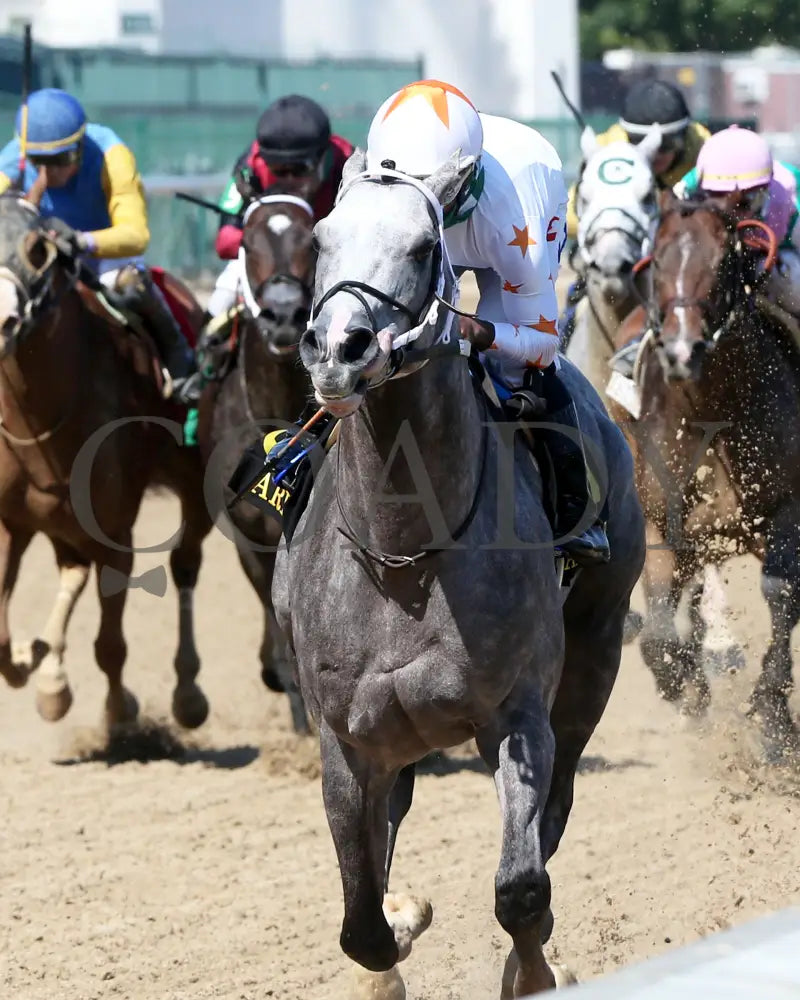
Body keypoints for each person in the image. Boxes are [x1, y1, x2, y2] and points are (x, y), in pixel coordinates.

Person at [364, 78, 609, 566]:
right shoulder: (380, 178)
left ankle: (576, 511)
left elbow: (542, 346)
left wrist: (482, 332)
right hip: (457, 198)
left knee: (513, 369)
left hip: (515, 219)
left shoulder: (514, 223)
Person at [0, 87, 195, 395]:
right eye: (39, 161)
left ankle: (179, 360)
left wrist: (80, 242)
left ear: (78, 147)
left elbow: (136, 235)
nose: (48, 172)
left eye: (60, 160)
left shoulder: (112, 155)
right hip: (43, 253)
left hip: (101, 253)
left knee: (129, 284)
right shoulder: (18, 155)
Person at [183, 94, 353, 402]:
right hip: (272, 261)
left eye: (299, 169)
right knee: (223, 289)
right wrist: (275, 243)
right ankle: (200, 376)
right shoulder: (250, 164)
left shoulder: (349, 164)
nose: (287, 179)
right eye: (278, 169)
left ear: (323, 156)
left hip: (333, 258)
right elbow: (225, 240)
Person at [561, 79, 711, 346]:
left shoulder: (705, 151)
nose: (656, 154)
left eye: (668, 144)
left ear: (686, 135)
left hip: (680, 259)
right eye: (638, 141)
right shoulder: (609, 146)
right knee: (578, 299)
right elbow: (570, 218)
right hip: (623, 257)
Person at [676, 125, 800, 319]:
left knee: (793, 284)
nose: (733, 213)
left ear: (767, 187)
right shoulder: (685, 191)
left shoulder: (791, 193)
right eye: (719, 198)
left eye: (747, 200)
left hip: (773, 255)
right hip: (709, 254)